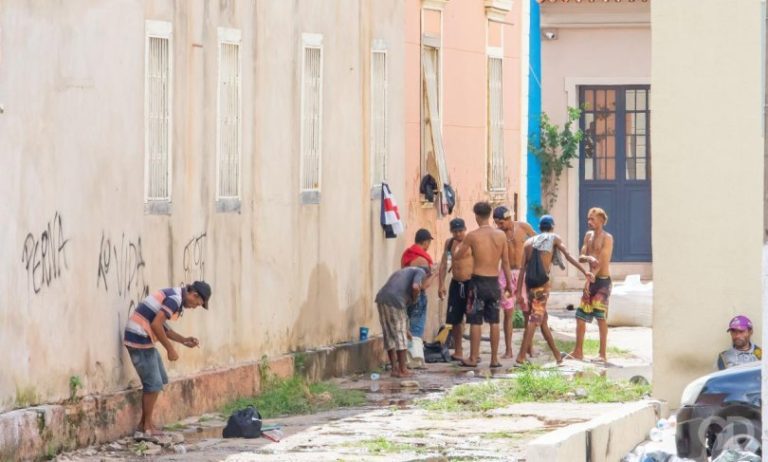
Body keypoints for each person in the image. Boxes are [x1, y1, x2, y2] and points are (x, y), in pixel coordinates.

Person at [124, 281, 212, 438]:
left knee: (160, 380)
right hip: (139, 337)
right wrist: (170, 349)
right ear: (194, 295)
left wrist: (184, 340)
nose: (194, 307)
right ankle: (147, 427)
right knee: (153, 384)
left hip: (143, 338)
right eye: (196, 304)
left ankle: (144, 424)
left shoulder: (175, 297)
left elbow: (162, 326)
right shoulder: (175, 299)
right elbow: (156, 325)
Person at [515, 216, 593, 366]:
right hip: (542, 287)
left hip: (530, 285)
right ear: (552, 227)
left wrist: (519, 292)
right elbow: (568, 256)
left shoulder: (529, 242)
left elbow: (522, 269)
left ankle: (557, 356)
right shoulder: (554, 238)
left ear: (539, 227)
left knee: (543, 321)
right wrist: (585, 272)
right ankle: (520, 358)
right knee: (534, 320)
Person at [453, 202, 513, 368]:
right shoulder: (501, 236)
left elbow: (458, 256)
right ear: (489, 216)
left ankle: (473, 357)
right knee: (494, 321)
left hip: (478, 282)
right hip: (494, 282)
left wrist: (457, 247)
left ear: (477, 216)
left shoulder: (472, 236)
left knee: (475, 321)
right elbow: (506, 263)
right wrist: (508, 284)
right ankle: (494, 359)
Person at [375, 266, 437, 377]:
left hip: (381, 299)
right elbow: (416, 287)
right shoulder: (421, 272)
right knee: (400, 336)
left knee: (388, 334)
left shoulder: (403, 271)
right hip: (396, 300)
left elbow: (403, 316)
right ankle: (403, 370)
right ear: (427, 276)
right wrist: (415, 298)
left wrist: (406, 328)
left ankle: (394, 369)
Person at [570, 207, 614, 363]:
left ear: (601, 220)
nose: (589, 221)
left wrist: (591, 278)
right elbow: (581, 257)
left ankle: (602, 354)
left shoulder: (607, 238)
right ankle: (578, 351)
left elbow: (602, 261)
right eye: (588, 218)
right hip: (591, 280)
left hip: (602, 281)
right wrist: (588, 258)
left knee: (600, 317)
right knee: (580, 317)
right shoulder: (588, 236)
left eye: (592, 219)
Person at [493, 206, 536, 359]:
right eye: (497, 224)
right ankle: (508, 349)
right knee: (508, 312)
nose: (499, 226)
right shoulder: (498, 235)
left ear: (509, 218)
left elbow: (537, 245)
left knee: (527, 311)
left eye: (501, 223)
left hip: (523, 273)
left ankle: (529, 347)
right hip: (506, 273)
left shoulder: (524, 228)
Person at [437, 218, 473, 361]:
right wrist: (441, 284)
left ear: (465, 229)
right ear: (451, 232)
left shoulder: (471, 242)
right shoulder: (449, 243)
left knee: (473, 318)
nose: (458, 234)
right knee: (455, 319)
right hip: (456, 283)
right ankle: (458, 350)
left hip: (470, 283)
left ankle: (473, 353)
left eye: (460, 231)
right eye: (455, 231)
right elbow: (444, 264)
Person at [401, 229, 434, 342]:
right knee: (415, 331)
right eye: (429, 242)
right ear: (425, 242)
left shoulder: (406, 255)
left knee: (406, 330)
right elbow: (422, 286)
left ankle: (405, 357)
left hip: (405, 295)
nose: (428, 245)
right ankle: (414, 357)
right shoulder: (422, 261)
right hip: (417, 297)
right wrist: (435, 275)